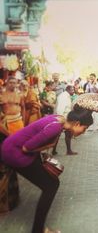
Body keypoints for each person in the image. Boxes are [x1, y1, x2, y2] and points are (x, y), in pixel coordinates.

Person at [0, 105, 93, 233]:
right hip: (14, 153)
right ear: (77, 123)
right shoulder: (55, 127)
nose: (84, 131)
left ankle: (39, 229)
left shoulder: (59, 119)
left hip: (12, 147)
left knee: (51, 183)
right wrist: (49, 145)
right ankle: (38, 230)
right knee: (51, 185)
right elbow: (26, 148)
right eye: (85, 128)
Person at [52, 85, 77, 155]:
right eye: (72, 90)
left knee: (66, 134)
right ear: (68, 90)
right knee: (58, 135)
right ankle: (54, 150)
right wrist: (61, 121)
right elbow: (60, 110)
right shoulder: (63, 97)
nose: (73, 91)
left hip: (65, 118)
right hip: (62, 119)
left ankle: (66, 150)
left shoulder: (66, 96)